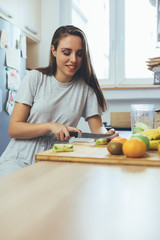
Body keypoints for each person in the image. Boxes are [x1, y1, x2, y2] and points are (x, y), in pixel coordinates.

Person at [0, 25, 118, 177]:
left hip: (55, 162)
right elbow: (14, 129)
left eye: (80, 54)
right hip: (18, 159)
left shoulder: (86, 90)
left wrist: (107, 136)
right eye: (67, 52)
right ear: (53, 51)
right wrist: (50, 126)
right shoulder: (34, 78)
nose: (73, 59)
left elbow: (97, 131)